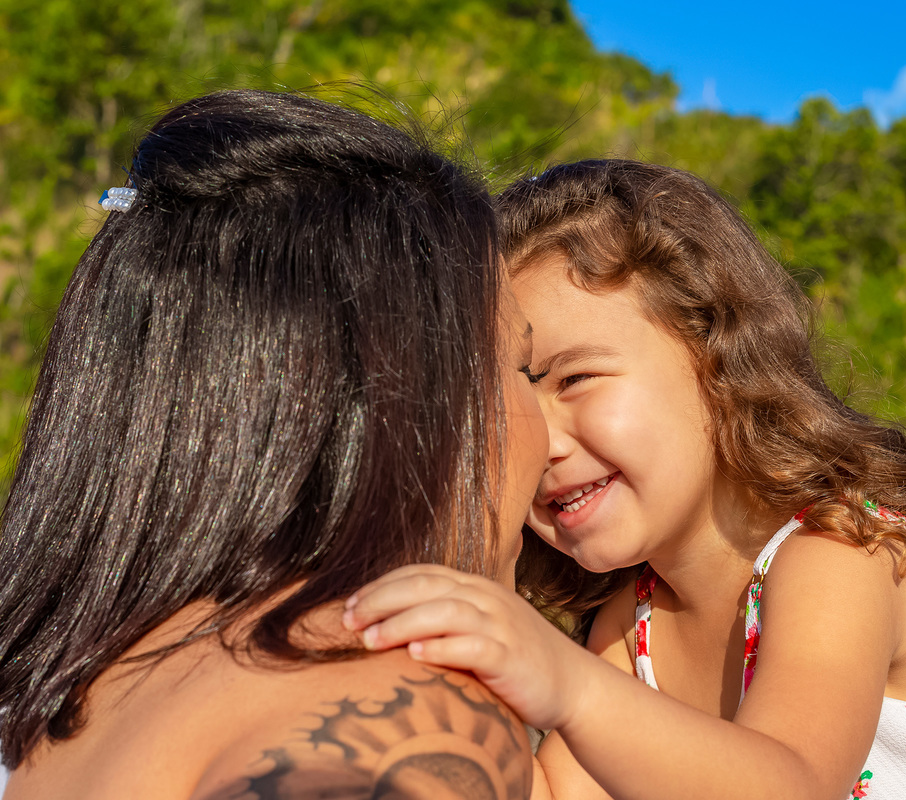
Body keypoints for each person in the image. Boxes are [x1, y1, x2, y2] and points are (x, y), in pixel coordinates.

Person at [341, 159, 906, 799]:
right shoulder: (630, 629)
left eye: (573, 379)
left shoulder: (841, 555)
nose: (541, 437)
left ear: (714, 356)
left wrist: (565, 685)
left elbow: (790, 783)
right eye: (507, 402)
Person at [0, 89, 547, 799]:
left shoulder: (64, 697)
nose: (553, 434)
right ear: (411, 400)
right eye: (525, 369)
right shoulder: (406, 707)